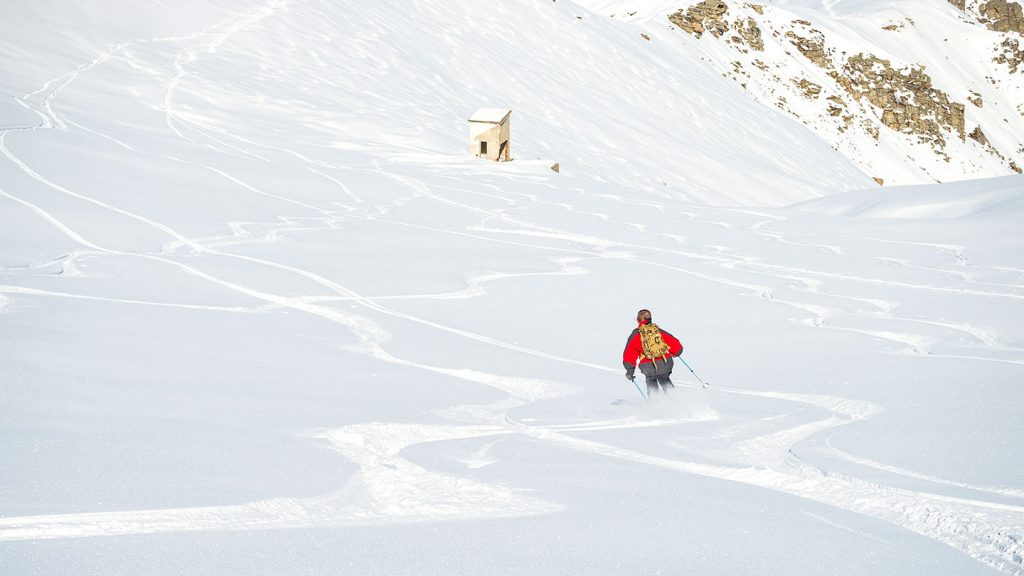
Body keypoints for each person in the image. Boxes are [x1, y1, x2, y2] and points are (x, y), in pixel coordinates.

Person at [622, 309, 684, 394]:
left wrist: (630, 371)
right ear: (650, 318)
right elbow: (677, 346)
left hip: (648, 367)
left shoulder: (636, 335)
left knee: (651, 384)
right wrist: (676, 353)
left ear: (638, 320)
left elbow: (629, 355)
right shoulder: (657, 331)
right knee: (665, 381)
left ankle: (653, 404)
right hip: (665, 363)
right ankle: (675, 402)